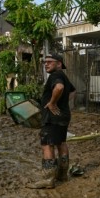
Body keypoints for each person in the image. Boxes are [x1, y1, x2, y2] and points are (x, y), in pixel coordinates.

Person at [27, 53, 76, 189]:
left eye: (49, 61)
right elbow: (73, 91)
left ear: (59, 64)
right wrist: (63, 102)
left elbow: (59, 88)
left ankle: (48, 179)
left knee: (47, 144)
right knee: (61, 143)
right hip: (63, 116)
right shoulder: (63, 76)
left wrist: (53, 102)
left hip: (53, 118)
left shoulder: (56, 76)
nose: (46, 64)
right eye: (45, 62)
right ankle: (62, 175)